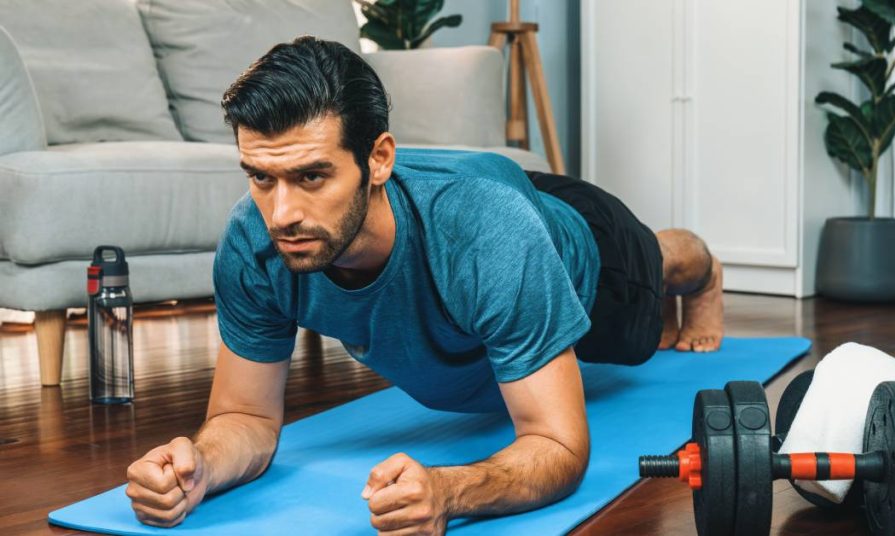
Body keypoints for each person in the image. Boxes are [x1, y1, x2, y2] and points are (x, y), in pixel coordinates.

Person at [124, 36, 724, 534]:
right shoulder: (252, 240)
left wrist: (450, 489)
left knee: (660, 266)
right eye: (261, 177)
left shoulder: (486, 234)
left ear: (378, 159)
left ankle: (702, 268)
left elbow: (558, 446)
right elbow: (245, 416)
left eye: (311, 176)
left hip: (580, 245)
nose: (281, 214)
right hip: (479, 203)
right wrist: (199, 464)